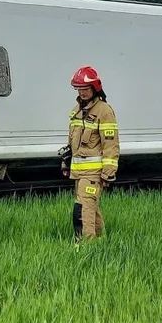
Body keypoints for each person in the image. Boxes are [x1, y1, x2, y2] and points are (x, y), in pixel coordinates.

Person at [59, 65, 119, 242]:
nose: (82, 92)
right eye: (78, 88)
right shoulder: (78, 108)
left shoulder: (104, 111)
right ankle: (101, 243)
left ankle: (86, 245)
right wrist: (67, 163)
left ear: (95, 88)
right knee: (91, 207)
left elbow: (111, 145)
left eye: (85, 88)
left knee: (84, 208)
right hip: (78, 171)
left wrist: (108, 174)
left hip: (93, 173)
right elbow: (72, 141)